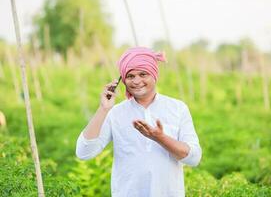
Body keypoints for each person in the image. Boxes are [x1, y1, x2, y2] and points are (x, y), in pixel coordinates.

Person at [76, 47, 202, 197]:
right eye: (130, 76)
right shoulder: (115, 113)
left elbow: (194, 158)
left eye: (143, 74)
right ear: (123, 80)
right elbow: (84, 152)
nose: (136, 81)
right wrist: (103, 109)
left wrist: (160, 138)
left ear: (154, 75)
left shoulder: (177, 108)